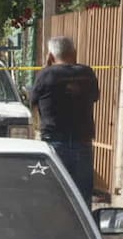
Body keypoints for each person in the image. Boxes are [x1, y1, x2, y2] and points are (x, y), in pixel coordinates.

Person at [29, 36, 100, 202]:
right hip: (82, 142)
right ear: (74, 53)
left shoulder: (45, 75)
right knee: (82, 196)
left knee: (53, 194)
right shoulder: (87, 73)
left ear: (51, 56)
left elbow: (32, 101)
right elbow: (95, 96)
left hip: (54, 143)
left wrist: (46, 68)